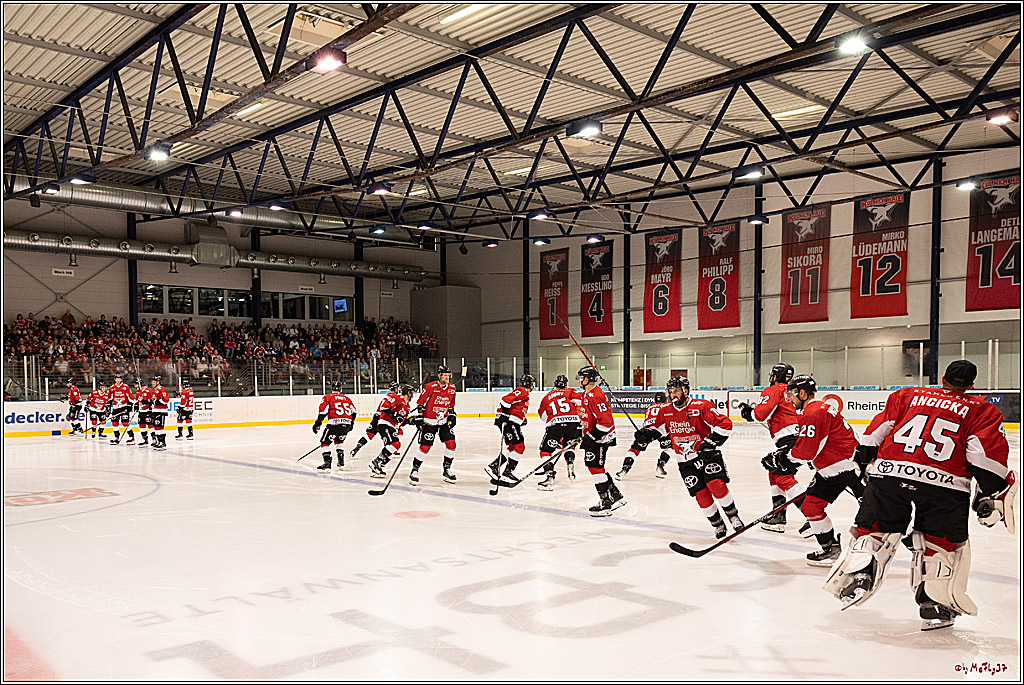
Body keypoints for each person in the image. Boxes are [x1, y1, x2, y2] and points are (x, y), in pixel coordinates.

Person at [824, 360, 1016, 631]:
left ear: (942, 378)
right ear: (972, 385)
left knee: (874, 530)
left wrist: (868, 466)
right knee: (940, 544)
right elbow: (985, 462)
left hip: (889, 475)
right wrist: (990, 493)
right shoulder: (982, 410)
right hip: (946, 487)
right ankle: (933, 604)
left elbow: (871, 437)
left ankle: (861, 570)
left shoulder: (907, 395)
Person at [763, 375, 865, 566]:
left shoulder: (813, 412)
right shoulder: (814, 410)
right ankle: (830, 549)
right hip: (829, 470)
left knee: (879, 509)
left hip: (849, 469)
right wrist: (786, 458)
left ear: (802, 393)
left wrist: (783, 459)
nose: (789, 399)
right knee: (811, 506)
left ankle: (918, 545)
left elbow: (806, 452)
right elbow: (812, 447)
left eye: (792, 394)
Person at [651, 376, 742, 538]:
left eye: (676, 391)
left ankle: (733, 516)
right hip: (684, 461)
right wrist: (646, 435)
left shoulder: (701, 406)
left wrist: (712, 442)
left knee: (716, 485)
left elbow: (725, 424)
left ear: (686, 391)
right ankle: (718, 524)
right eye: (671, 391)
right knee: (701, 495)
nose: (673, 394)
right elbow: (658, 429)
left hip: (706, 455)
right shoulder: (665, 410)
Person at [738, 363, 807, 534]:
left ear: (775, 376)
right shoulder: (795, 391)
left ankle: (812, 517)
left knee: (784, 478)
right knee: (774, 470)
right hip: (802, 436)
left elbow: (761, 414)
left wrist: (748, 413)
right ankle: (778, 514)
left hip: (789, 439)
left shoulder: (774, 389)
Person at [575, 366, 626, 517]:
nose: (579, 381)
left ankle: (605, 504)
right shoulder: (587, 394)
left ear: (587, 379)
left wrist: (590, 438)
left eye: (580, 378)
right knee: (595, 466)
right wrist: (581, 433)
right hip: (594, 436)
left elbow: (606, 422)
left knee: (595, 467)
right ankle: (616, 496)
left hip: (600, 438)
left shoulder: (595, 395)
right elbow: (587, 417)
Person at [409, 365, 458, 485]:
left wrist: (452, 415)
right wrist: (420, 417)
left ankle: (447, 469)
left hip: (443, 421)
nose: (447, 377)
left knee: (451, 444)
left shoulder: (452, 388)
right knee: (425, 447)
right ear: (439, 375)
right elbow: (420, 403)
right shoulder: (430, 387)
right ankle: (414, 470)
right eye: (444, 375)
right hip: (429, 421)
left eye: (448, 375)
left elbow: (451, 405)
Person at [485, 374, 536, 483]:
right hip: (509, 422)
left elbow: (514, 406)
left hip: (511, 421)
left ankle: (494, 466)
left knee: (513, 447)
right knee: (519, 446)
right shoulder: (523, 391)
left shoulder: (523, 393)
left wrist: (521, 419)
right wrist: (505, 415)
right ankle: (508, 471)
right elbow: (505, 400)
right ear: (530, 384)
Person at [535, 374, 582, 490]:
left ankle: (550, 478)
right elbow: (582, 403)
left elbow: (543, 417)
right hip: (574, 424)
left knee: (545, 451)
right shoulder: (572, 391)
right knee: (569, 446)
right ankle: (570, 463)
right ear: (566, 384)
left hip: (555, 425)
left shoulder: (547, 396)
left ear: (555, 384)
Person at [615, 390, 672, 480]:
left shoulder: (650, 408)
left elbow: (646, 421)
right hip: (661, 430)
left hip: (647, 430)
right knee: (669, 447)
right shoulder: (667, 406)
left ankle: (624, 469)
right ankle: (660, 467)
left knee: (634, 450)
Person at [369, 384, 417, 478]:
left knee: (395, 446)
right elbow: (384, 407)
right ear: (408, 393)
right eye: (412, 393)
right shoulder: (397, 398)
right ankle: (376, 462)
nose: (413, 396)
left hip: (392, 426)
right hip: (385, 424)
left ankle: (379, 465)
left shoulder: (407, 407)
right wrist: (394, 414)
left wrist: (410, 421)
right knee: (395, 444)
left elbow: (401, 421)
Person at [312, 381, 357, 471]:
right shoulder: (347, 398)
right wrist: (351, 423)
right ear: (341, 389)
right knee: (339, 442)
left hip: (334, 424)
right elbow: (354, 412)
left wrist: (318, 423)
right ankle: (341, 463)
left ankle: (327, 463)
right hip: (346, 424)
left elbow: (323, 411)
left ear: (331, 388)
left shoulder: (327, 397)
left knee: (325, 443)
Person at [350, 381, 399, 459]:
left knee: (369, 434)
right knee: (388, 432)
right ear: (396, 388)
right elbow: (387, 408)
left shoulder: (387, 396)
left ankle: (358, 447)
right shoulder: (394, 397)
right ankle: (390, 449)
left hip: (376, 415)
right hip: (383, 416)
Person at [106, 374, 137, 445]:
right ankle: (116, 437)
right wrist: (108, 406)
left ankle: (131, 437)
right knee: (114, 423)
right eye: (117, 379)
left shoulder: (125, 387)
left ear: (121, 379)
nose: (118, 380)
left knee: (125, 423)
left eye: (119, 379)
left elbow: (130, 397)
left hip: (123, 407)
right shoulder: (112, 388)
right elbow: (110, 399)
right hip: (115, 408)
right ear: (115, 379)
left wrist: (130, 404)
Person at [147, 376, 170, 450]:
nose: (152, 383)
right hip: (155, 410)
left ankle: (162, 442)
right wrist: (148, 402)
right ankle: (159, 442)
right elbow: (154, 401)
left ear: (158, 382)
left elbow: (166, 399)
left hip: (161, 411)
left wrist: (159, 402)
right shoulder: (155, 390)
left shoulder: (161, 389)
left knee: (160, 427)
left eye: (154, 382)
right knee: (156, 427)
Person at [136, 379, 155, 447]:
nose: (136, 386)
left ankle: (154, 439)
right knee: (141, 425)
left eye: (137, 385)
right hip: (141, 411)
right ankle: (145, 440)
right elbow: (137, 400)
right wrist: (136, 405)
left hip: (148, 411)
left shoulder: (149, 391)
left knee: (150, 425)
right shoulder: (138, 391)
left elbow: (153, 401)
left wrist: (147, 402)